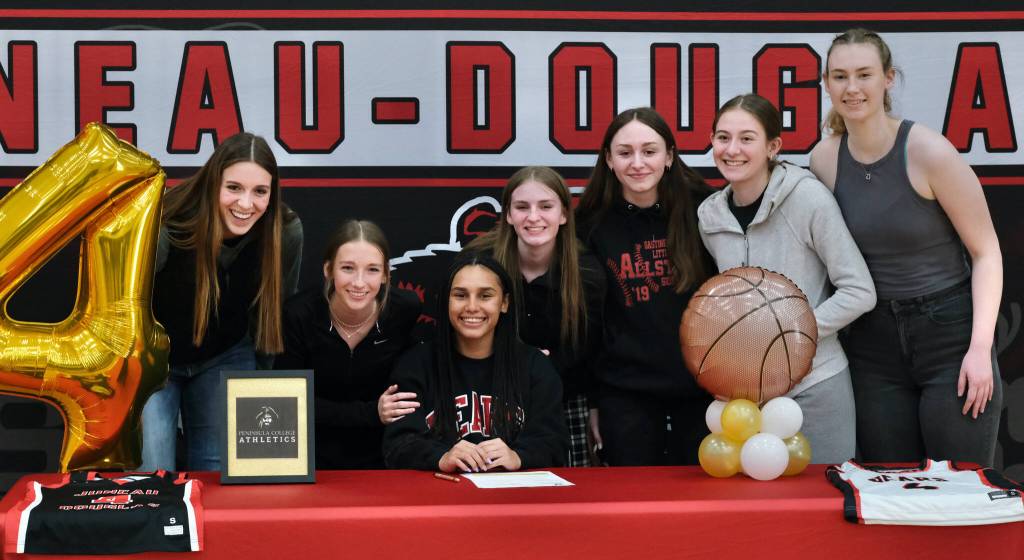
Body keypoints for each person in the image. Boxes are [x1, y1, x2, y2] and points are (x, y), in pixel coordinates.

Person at [809, 29, 1003, 466]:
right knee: (891, 490)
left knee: (960, 485)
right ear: (826, 84)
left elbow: (987, 253)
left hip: (949, 336)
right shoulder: (823, 158)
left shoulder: (929, 152)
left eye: (864, 74)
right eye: (840, 76)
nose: (852, 88)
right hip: (872, 344)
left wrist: (979, 349)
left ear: (888, 79)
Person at [697, 93, 876, 464]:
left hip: (815, 383)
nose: (732, 150)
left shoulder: (808, 198)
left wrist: (789, 336)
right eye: (722, 137)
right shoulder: (709, 217)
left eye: (747, 138)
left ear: (772, 146)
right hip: (745, 399)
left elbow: (860, 291)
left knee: (825, 505)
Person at [142, 132, 303, 471]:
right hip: (155, 359)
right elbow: (126, 308)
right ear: (213, 181)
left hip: (225, 354)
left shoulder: (284, 231)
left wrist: (258, 385)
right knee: (152, 472)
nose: (246, 204)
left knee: (221, 472)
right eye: (234, 188)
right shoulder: (168, 221)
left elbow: (272, 313)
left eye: (260, 191)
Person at [575, 107, 714, 466]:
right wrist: (593, 401)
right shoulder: (587, 224)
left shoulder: (706, 211)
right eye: (624, 153)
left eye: (649, 151)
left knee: (700, 507)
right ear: (608, 159)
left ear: (669, 156)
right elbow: (586, 323)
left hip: (701, 391)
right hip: (625, 394)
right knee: (633, 509)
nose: (637, 163)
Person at [466, 166, 605, 467]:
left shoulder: (587, 273)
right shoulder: (480, 264)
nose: (533, 217)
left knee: (563, 503)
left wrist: (540, 368)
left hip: (564, 401)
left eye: (546, 206)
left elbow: (590, 349)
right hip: (490, 398)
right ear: (507, 215)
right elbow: (461, 334)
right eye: (521, 207)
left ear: (564, 214)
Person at [382, 253, 568, 472]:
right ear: (446, 301)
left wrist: (518, 456)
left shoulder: (535, 366)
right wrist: (441, 458)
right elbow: (397, 444)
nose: (471, 307)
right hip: (439, 497)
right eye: (460, 295)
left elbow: (554, 442)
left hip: (513, 499)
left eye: (485, 296)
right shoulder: (415, 364)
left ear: (504, 303)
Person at [275, 220, 421, 469]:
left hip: (382, 456)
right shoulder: (299, 314)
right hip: (310, 456)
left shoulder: (404, 310)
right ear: (328, 270)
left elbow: (406, 395)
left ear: (386, 274)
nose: (359, 282)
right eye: (348, 268)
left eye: (372, 270)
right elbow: (289, 402)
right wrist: (370, 413)